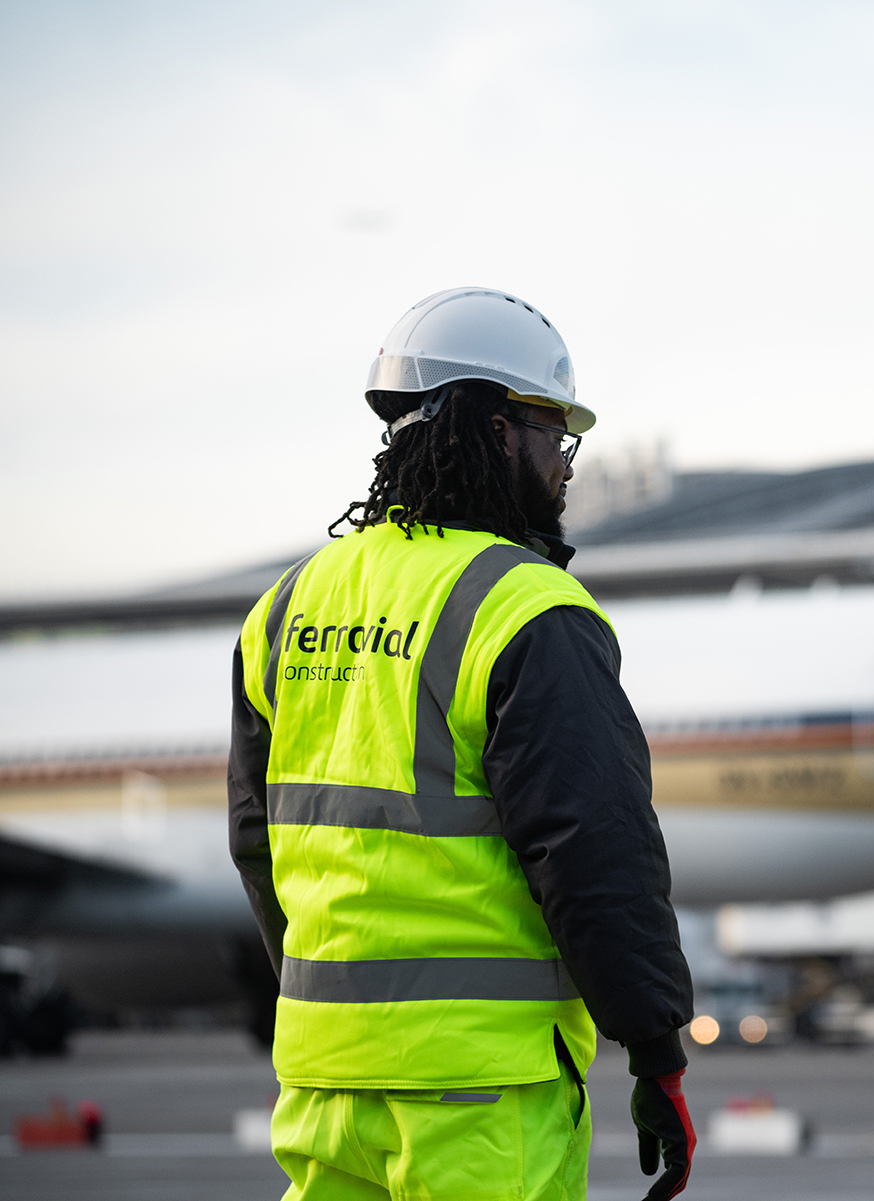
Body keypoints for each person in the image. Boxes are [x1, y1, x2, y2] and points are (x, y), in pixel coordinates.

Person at [228, 287, 696, 1201]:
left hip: (324, 1085)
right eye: (553, 435)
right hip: (480, 1089)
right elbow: (595, 852)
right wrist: (656, 1050)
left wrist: (335, 1012)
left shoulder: (286, 606)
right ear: (494, 427)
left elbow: (260, 844)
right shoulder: (525, 609)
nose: (565, 468)